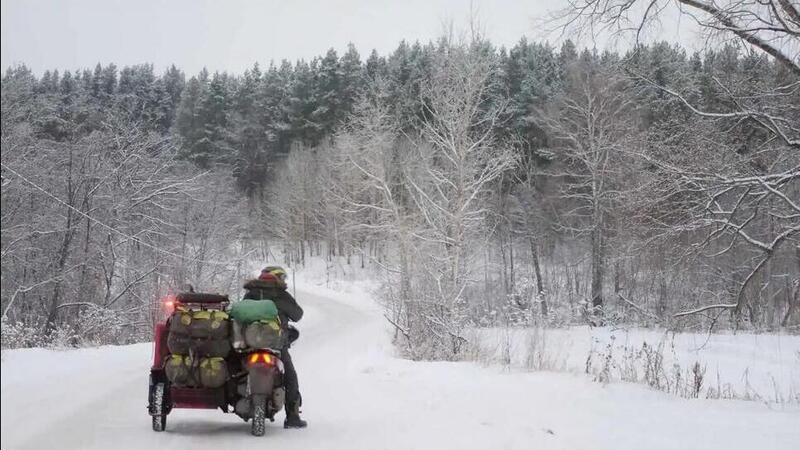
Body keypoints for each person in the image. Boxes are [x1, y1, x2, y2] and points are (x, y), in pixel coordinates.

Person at [242, 266, 307, 429]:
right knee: (290, 376)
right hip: (276, 345)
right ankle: (292, 417)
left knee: (236, 369)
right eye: (281, 277)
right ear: (276, 277)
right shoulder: (281, 295)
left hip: (248, 344)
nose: (283, 280)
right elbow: (298, 315)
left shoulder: (251, 293)